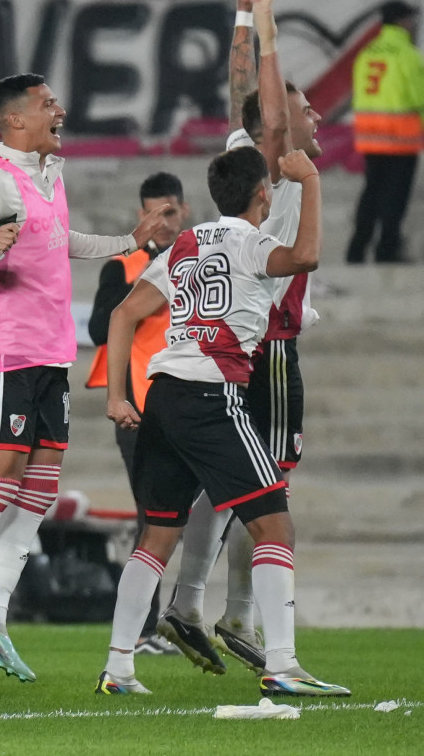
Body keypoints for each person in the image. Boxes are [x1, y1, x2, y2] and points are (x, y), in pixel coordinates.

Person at [0, 74, 166, 684]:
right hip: (6, 354)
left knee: (39, 490)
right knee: (0, 478)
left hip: (52, 354)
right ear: (16, 121)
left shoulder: (48, 173)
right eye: (48, 102)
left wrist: (128, 240)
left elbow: (59, 240)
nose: (61, 108)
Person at [98, 145, 349, 699]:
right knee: (274, 524)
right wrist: (310, 183)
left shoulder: (186, 243)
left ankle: (118, 668)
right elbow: (305, 256)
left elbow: (122, 313)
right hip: (213, 395)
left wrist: (118, 395)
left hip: (161, 395)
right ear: (263, 193)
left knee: (157, 535)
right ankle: (282, 664)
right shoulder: (250, 241)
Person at [161, 0, 326, 676]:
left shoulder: (241, 149)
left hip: (233, 348)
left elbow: (236, 95)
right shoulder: (282, 170)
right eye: (299, 102)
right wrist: (265, 26)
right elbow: (263, 101)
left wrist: (235, 12)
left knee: (224, 483)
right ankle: (239, 614)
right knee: (269, 485)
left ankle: (194, 602)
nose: (311, 112)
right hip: (274, 345)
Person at [85, 171, 188, 655]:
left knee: (192, 518)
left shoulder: (200, 259)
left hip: (193, 405)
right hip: (139, 411)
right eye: (153, 213)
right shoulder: (124, 266)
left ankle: (171, 619)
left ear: (183, 211)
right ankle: (147, 629)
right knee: (155, 517)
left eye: (169, 212)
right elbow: (100, 328)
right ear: (139, 216)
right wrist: (146, 295)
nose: (162, 223)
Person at [346, 0, 424, 264]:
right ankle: (386, 250)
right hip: (401, 139)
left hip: (370, 138)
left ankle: (356, 248)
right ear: (402, 22)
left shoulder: (367, 52)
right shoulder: (408, 55)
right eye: (411, 19)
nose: (414, 25)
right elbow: (418, 98)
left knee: (371, 193)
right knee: (395, 197)